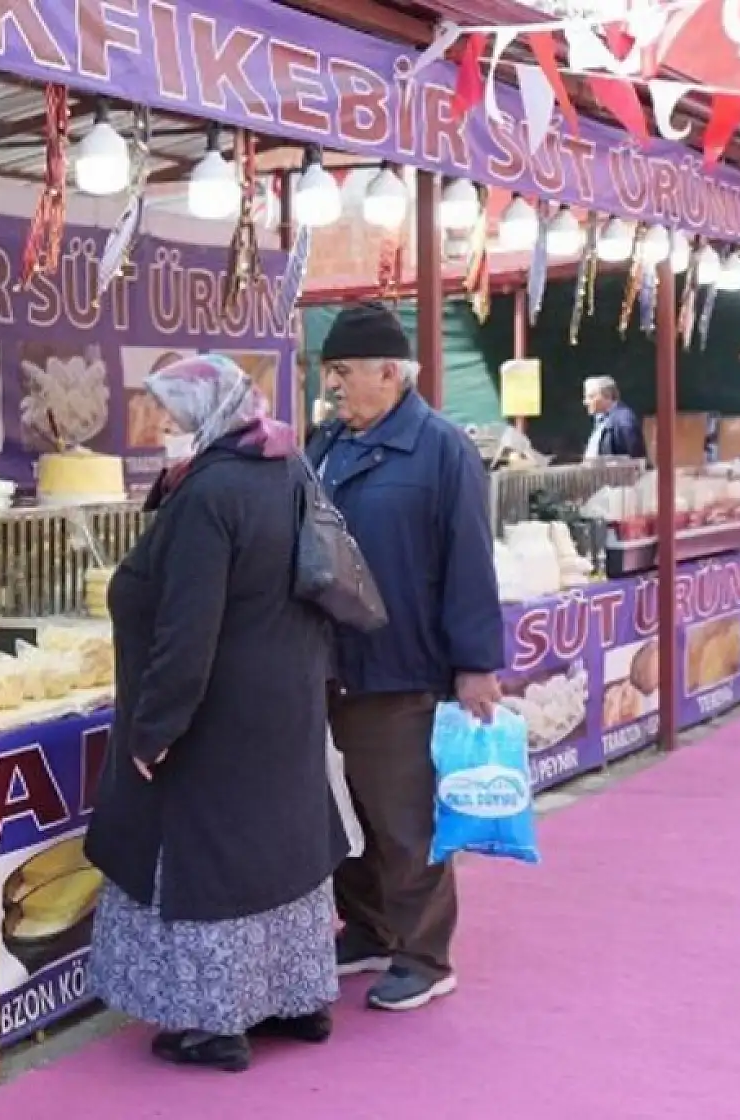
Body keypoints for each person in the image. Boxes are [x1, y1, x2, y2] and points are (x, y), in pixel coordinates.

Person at [84, 354, 347, 1073]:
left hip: (218, 718)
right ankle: (296, 999)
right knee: (282, 853)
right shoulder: (285, 466)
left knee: (210, 864)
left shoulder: (209, 494)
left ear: (205, 413)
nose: (163, 428)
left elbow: (187, 628)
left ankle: (213, 1024)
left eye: (171, 415)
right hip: (287, 701)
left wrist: (155, 727)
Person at [306, 302, 504, 1013]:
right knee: (344, 814)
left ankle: (424, 955)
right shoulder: (325, 444)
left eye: (342, 371)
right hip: (327, 665)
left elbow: (469, 560)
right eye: (327, 372)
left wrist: (475, 664)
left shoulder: (442, 449)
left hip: (401, 667)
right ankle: (368, 927)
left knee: (403, 818)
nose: (331, 386)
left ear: (389, 372)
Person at [583, 375, 647, 461]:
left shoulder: (624, 421)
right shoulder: (602, 420)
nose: (585, 402)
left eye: (591, 397)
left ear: (607, 396)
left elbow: (634, 459)